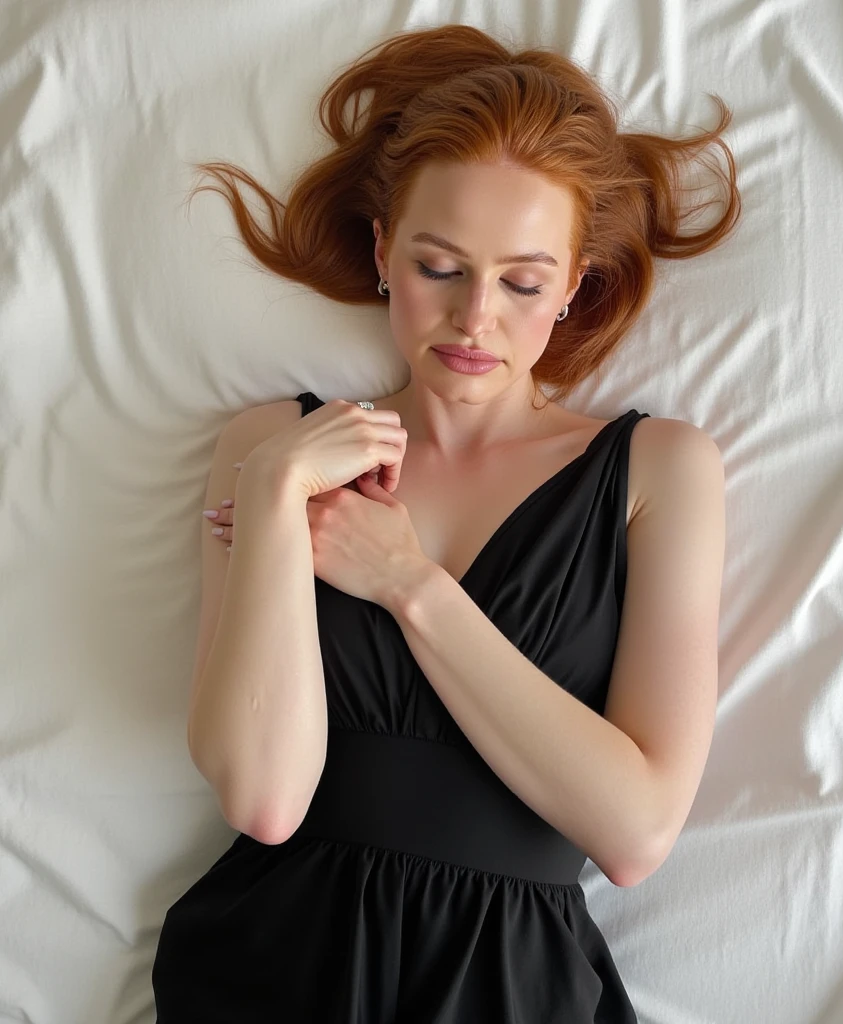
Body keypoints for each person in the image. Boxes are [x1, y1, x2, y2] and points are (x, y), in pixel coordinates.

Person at [152, 23, 737, 1023]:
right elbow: (263, 798)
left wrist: (406, 583)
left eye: (520, 282)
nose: (473, 320)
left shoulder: (658, 472)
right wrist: (273, 489)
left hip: (512, 987)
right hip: (271, 969)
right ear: (382, 251)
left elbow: (635, 833)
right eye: (438, 267)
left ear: (572, 287)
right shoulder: (271, 448)